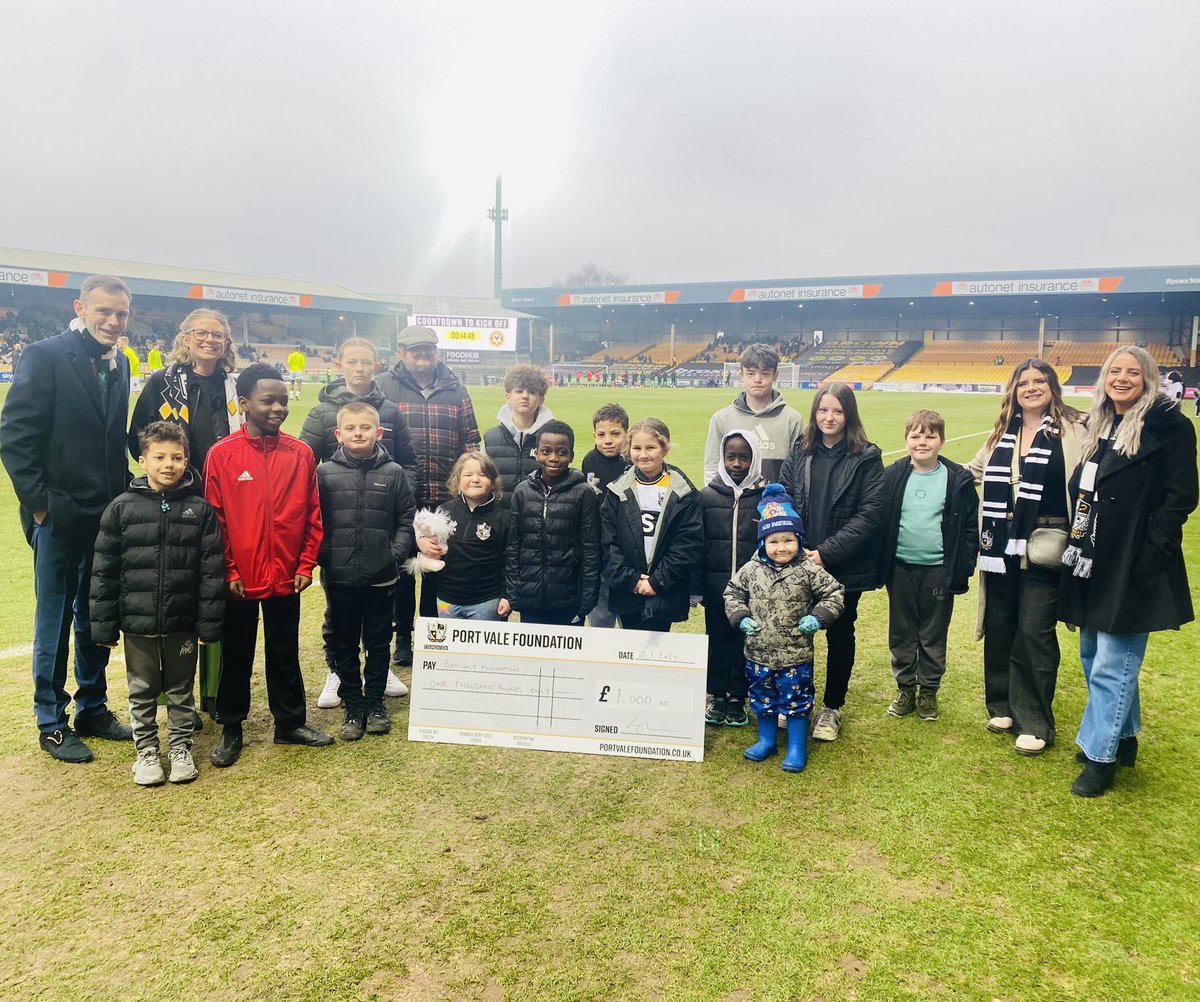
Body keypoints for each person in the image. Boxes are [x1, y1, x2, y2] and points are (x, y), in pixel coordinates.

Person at [0, 274, 134, 762]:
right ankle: (51, 720)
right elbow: (15, 435)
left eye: (121, 313)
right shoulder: (44, 355)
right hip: (58, 515)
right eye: (104, 311)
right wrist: (41, 505)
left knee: (96, 615)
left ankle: (92, 707)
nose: (113, 321)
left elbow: (111, 438)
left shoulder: (121, 362)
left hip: (105, 514)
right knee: (54, 620)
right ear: (80, 308)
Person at [1059, 347, 1197, 797]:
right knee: (1091, 653)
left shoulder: (1170, 427)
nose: (1121, 378)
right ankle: (1125, 736)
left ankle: (1101, 756)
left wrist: (1152, 555)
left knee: (1113, 662)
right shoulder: (1101, 424)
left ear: (1148, 379)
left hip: (1133, 559)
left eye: (1132, 372)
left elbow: (1180, 497)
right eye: (1114, 371)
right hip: (1092, 554)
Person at [203, 363, 332, 767]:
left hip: (287, 576)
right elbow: (215, 520)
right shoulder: (222, 454)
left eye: (282, 400)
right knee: (236, 654)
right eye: (268, 400)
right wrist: (229, 570)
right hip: (240, 579)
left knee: (284, 650)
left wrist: (306, 563)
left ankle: (290, 724)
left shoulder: (301, 453)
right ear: (244, 404)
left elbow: (313, 513)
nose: (278, 407)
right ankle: (231, 727)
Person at [89, 422, 225, 785]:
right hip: (138, 624)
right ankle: (147, 752)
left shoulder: (200, 511)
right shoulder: (121, 509)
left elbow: (212, 572)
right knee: (142, 689)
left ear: (186, 460)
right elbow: (104, 572)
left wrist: (208, 623)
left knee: (181, 689)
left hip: (183, 622)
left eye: (177, 457)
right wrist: (103, 626)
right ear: (142, 459)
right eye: (160, 457)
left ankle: (180, 749)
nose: (169, 465)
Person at [967, 359, 1084, 756]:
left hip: (1046, 545)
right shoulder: (1002, 433)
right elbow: (972, 472)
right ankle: (1001, 705)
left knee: (1035, 631)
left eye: (1039, 381)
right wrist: (922, 466)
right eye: (1023, 383)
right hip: (999, 546)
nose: (1031, 388)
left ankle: (1034, 721)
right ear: (1013, 391)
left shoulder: (1075, 428)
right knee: (1000, 625)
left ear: (1052, 386)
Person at [299, 336, 417, 708]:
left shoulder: (390, 411)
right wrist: (323, 548)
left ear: (376, 365)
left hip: (380, 526)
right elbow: (303, 468)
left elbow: (408, 463)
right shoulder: (321, 413)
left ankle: (379, 672)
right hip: (341, 531)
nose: (359, 368)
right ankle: (337, 671)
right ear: (340, 365)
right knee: (339, 615)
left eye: (366, 361)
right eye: (352, 361)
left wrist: (397, 506)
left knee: (379, 618)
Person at [779, 383, 884, 743]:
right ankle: (797, 700)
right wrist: (796, 549)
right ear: (814, 413)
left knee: (839, 633)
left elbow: (869, 516)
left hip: (843, 565)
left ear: (849, 415)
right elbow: (784, 497)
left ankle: (832, 707)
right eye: (823, 410)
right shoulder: (801, 450)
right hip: (799, 561)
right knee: (797, 632)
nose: (829, 417)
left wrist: (825, 554)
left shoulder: (866, 457)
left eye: (837, 411)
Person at [723, 483, 844, 773]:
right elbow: (732, 593)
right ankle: (766, 740)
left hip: (795, 655)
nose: (782, 548)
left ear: (799, 540)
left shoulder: (808, 570)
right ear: (762, 543)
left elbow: (834, 593)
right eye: (774, 541)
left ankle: (796, 746)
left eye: (789, 540)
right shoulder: (750, 570)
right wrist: (740, 616)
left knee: (796, 700)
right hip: (757, 652)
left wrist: (818, 617)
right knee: (762, 698)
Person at [378, 325, 480, 665]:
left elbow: (470, 441)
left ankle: (433, 634)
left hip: (443, 495)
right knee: (404, 570)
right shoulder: (385, 386)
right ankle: (403, 639)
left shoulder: (455, 387)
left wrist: (466, 486)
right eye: (415, 349)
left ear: (436, 351)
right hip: (400, 496)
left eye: (428, 349)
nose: (422, 354)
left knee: (438, 568)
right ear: (401, 353)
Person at [315, 402, 416, 741]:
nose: (358, 433)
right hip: (340, 576)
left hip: (381, 576)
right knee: (344, 642)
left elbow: (406, 519)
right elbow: (315, 520)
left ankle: (374, 703)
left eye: (365, 427)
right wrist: (325, 555)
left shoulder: (394, 472)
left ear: (379, 432)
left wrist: (394, 554)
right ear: (338, 434)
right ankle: (352, 705)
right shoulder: (325, 473)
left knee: (378, 640)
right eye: (351, 428)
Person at [875, 410, 979, 722]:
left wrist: (964, 563)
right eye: (916, 435)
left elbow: (970, 527)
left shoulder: (957, 479)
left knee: (932, 633)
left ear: (941, 441)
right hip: (900, 569)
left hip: (938, 570)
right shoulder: (893, 475)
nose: (922, 442)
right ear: (906, 440)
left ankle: (928, 690)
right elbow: (879, 519)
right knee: (902, 631)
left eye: (930, 436)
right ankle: (905, 688)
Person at [600, 418, 704, 633]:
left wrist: (657, 581)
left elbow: (688, 544)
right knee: (628, 646)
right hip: (628, 590)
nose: (643, 454)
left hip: (664, 591)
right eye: (637, 448)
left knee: (658, 647)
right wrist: (631, 580)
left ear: (664, 449)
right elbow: (607, 541)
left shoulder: (683, 492)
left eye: (651, 448)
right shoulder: (618, 490)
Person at [696, 429, 765, 728]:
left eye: (744, 458)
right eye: (731, 457)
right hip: (716, 590)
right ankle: (716, 696)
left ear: (755, 459)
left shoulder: (765, 497)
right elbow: (697, 545)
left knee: (743, 643)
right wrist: (696, 588)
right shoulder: (707, 496)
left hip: (751, 593)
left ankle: (738, 697)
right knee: (716, 640)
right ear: (722, 458)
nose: (737, 464)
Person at [129, 310, 244, 482]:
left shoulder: (236, 388)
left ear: (225, 343)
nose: (210, 339)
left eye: (218, 335)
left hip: (226, 483)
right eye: (201, 333)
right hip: (177, 486)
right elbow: (138, 436)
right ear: (185, 340)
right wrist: (165, 467)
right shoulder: (162, 383)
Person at [504, 421, 600, 625]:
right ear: (536, 453)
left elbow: (591, 550)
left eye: (561, 452)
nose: (553, 458)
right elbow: (513, 546)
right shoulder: (522, 491)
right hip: (530, 598)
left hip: (569, 600)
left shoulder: (584, 493)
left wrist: (586, 600)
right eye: (546, 451)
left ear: (571, 456)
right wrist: (513, 591)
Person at [703, 344, 803, 484]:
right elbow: (712, 468)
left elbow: (797, 472)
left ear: (775, 375)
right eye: (751, 373)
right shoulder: (721, 419)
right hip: (733, 498)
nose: (757, 379)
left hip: (776, 498)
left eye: (765, 373)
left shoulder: (792, 420)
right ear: (741, 375)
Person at [433, 453, 511, 621]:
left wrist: (507, 596)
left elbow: (509, 561)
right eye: (468, 475)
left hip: (486, 601)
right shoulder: (444, 512)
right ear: (457, 480)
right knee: (448, 639)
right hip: (446, 600)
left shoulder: (503, 519)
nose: (475, 479)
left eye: (482, 475)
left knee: (484, 640)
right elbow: (430, 547)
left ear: (493, 482)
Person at [582, 403, 629, 628]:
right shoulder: (589, 460)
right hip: (598, 543)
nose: (607, 440)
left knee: (629, 616)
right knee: (600, 614)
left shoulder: (631, 462)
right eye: (601, 435)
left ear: (626, 434)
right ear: (594, 435)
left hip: (625, 545)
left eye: (615, 434)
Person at [481, 364, 554, 493]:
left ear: (541, 400)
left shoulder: (552, 438)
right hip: (499, 506)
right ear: (508, 397)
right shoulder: (490, 439)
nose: (525, 396)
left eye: (532, 392)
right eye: (519, 391)